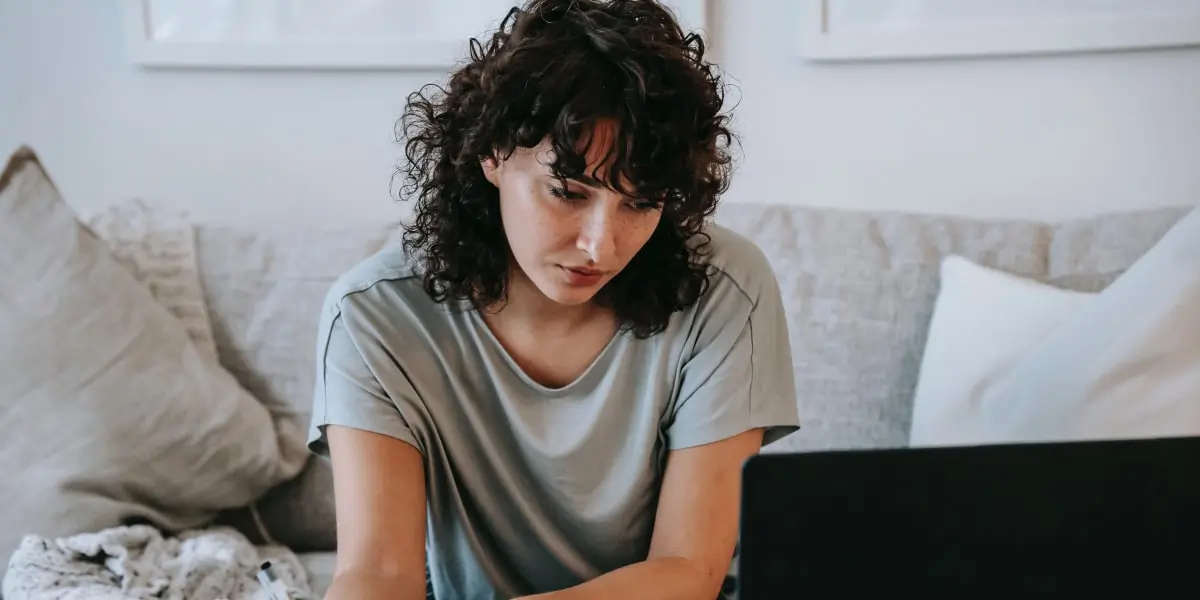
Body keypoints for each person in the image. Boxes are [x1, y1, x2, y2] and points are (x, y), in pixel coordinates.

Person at [307, 1, 800, 598]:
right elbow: (378, 572)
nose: (601, 245)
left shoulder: (725, 289)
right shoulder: (373, 317)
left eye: (641, 204)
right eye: (568, 192)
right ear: (492, 153)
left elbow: (686, 571)